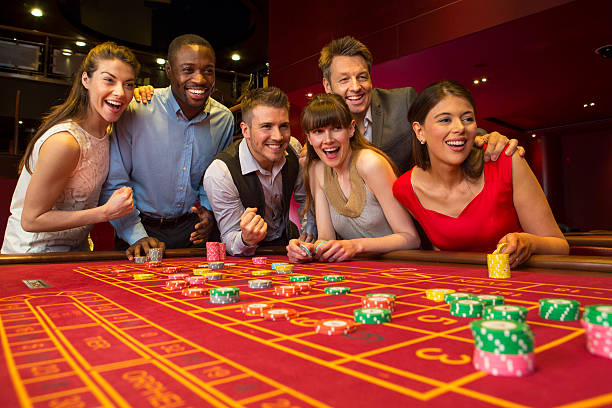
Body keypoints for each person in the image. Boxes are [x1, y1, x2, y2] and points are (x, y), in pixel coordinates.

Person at [392, 81, 569, 267]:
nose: (460, 127)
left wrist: (529, 242)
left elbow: (559, 245)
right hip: (456, 288)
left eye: (467, 119)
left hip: (517, 282)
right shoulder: (404, 189)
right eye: (445, 120)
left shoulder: (506, 159)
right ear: (420, 131)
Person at [99, 34, 234, 260]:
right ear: (169, 70)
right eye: (188, 69)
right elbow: (115, 182)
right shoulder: (137, 110)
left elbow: (212, 178)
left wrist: (208, 214)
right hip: (137, 228)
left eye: (208, 70)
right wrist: (137, 237)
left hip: (191, 232)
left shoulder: (224, 119)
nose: (199, 79)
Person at [2, 42, 137, 254]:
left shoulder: (108, 134)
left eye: (128, 84)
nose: (120, 92)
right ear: (86, 79)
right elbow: (31, 220)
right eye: (109, 80)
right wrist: (105, 212)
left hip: (75, 254)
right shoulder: (65, 142)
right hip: (32, 257)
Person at [318, 36, 522, 175]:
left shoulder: (403, 101)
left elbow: (443, 125)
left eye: (362, 77)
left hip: (411, 224)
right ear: (328, 86)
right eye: (344, 80)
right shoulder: (322, 132)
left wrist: (484, 138)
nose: (356, 87)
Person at [286, 93, 420, 263]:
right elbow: (326, 239)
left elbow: (410, 238)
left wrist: (356, 246)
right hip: (358, 270)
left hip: (401, 267)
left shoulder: (371, 164)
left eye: (336, 128)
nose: (328, 140)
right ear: (309, 138)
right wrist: (307, 249)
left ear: (351, 129)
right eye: (318, 131)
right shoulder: (316, 170)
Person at [203, 87, 314, 256]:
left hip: (287, 246)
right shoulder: (220, 173)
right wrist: (246, 239)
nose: (278, 136)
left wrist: (308, 233)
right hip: (246, 257)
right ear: (245, 130)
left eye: (283, 126)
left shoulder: (293, 147)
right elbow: (229, 237)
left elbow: (305, 199)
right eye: (266, 126)